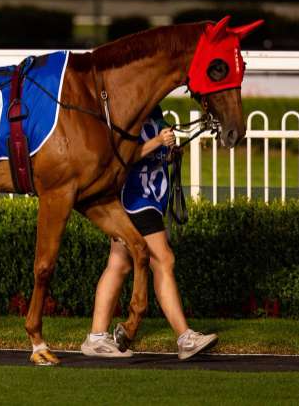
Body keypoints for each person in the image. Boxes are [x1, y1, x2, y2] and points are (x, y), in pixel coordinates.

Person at [81, 105, 218, 360]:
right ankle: (185, 337)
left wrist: (170, 153)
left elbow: (156, 156)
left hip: (148, 199)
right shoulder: (128, 116)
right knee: (163, 260)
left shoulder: (156, 117)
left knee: (119, 264)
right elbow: (124, 156)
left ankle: (97, 337)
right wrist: (158, 142)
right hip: (136, 199)